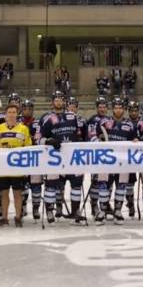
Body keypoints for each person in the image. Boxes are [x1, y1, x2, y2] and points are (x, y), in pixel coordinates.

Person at [37, 90, 83, 224]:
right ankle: (50, 210)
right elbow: (38, 138)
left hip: (72, 158)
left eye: (61, 99)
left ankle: (75, 211)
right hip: (54, 158)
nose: (58, 101)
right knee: (51, 186)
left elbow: (79, 134)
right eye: (56, 99)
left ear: (64, 101)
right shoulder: (46, 118)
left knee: (76, 184)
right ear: (52, 102)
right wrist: (48, 141)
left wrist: (79, 142)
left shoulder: (72, 116)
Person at [95, 97, 137, 223]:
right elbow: (94, 136)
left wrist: (135, 141)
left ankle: (118, 211)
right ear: (112, 108)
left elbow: (135, 139)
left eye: (120, 108)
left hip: (123, 162)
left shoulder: (129, 124)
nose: (118, 110)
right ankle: (102, 211)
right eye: (116, 107)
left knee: (121, 186)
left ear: (124, 109)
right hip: (106, 161)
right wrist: (98, 140)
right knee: (103, 186)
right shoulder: (104, 122)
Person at [0, 103, 31, 227]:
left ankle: (18, 217)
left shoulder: (23, 128)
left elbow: (28, 146)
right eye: (9, 112)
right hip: (3, 167)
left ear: (17, 114)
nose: (11, 114)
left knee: (17, 194)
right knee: (4, 193)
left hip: (17, 168)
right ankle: (4, 218)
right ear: (5, 114)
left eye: (14, 112)